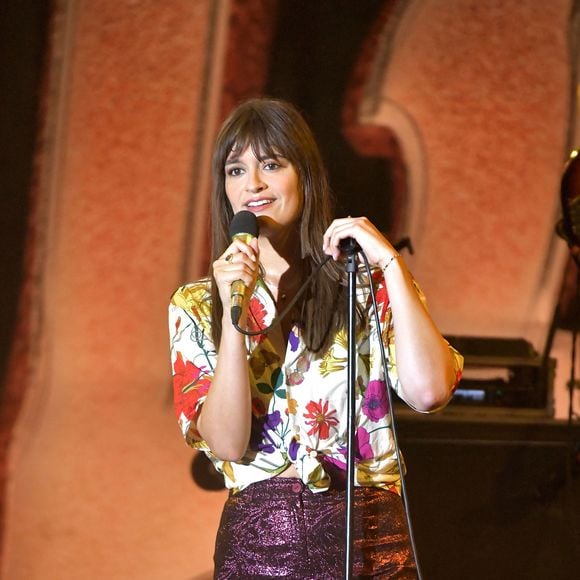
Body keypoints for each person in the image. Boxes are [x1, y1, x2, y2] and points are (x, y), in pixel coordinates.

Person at [168, 98, 463, 578]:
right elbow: (225, 440)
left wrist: (390, 266)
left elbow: (430, 392)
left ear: (304, 174)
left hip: (368, 540)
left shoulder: (362, 284)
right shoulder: (198, 305)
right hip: (260, 548)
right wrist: (232, 314)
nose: (253, 185)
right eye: (236, 170)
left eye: (271, 164)